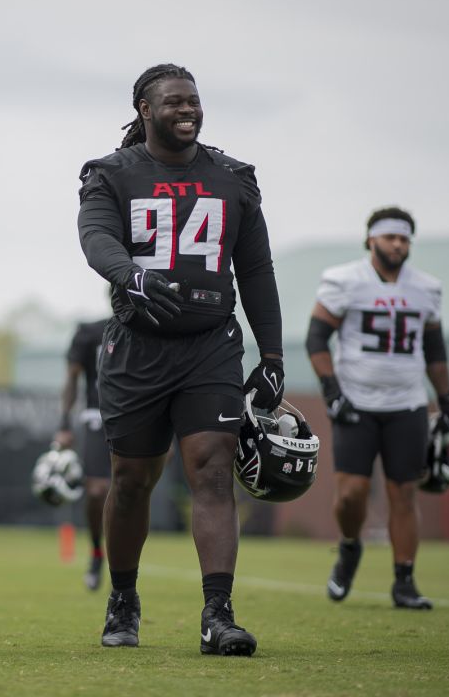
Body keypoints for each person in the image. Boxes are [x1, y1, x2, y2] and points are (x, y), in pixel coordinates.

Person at [77, 64, 286, 656]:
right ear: (144, 109)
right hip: (137, 347)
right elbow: (96, 238)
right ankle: (123, 597)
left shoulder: (233, 177)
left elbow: (257, 271)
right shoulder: (111, 174)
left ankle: (217, 614)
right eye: (173, 102)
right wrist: (130, 275)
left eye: (193, 101)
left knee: (213, 470)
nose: (187, 110)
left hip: (210, 343)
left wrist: (272, 354)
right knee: (132, 480)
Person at [307, 206, 449, 610]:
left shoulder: (426, 288)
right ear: (371, 239)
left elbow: (435, 348)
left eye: (405, 238)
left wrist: (446, 397)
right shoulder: (344, 280)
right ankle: (350, 546)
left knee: (404, 491)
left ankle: (404, 581)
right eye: (391, 237)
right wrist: (332, 392)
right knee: (351, 494)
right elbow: (316, 339)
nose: (398, 244)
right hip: (356, 400)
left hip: (407, 402)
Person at [53, 315, 113, 591]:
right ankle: (97, 551)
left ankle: (124, 569)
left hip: (138, 418)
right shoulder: (91, 332)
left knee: (132, 491)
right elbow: (72, 377)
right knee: (97, 491)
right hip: (98, 417)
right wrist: (64, 424)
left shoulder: (149, 329)